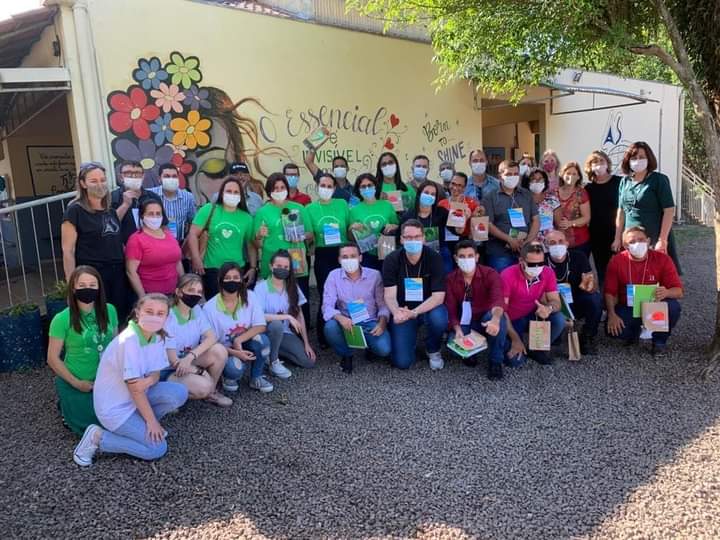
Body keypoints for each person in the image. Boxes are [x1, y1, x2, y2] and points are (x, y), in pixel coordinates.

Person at [72, 293, 189, 466]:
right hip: (115, 408)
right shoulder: (128, 341)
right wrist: (152, 422)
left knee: (179, 392)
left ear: (166, 318)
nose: (154, 317)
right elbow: (135, 390)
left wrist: (148, 381)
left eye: (160, 313)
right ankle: (98, 437)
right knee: (157, 449)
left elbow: (156, 373)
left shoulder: (157, 337)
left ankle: (141, 426)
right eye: (149, 311)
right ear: (138, 312)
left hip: (137, 397)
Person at [47, 266, 118, 436]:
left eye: (93, 285)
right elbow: (52, 358)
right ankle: (67, 402)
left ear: (99, 288)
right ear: (73, 288)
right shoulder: (61, 319)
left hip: (107, 379)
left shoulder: (110, 310)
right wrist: (76, 383)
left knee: (118, 419)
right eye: (82, 285)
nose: (88, 289)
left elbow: (116, 345)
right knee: (92, 427)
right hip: (79, 380)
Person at [61, 162, 129, 322]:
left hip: (118, 274)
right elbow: (68, 251)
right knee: (98, 319)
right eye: (93, 181)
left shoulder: (110, 211)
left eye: (103, 180)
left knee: (118, 318)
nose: (100, 184)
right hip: (93, 275)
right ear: (83, 184)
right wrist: (72, 285)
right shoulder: (75, 211)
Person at [604, 226, 683, 356]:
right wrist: (612, 314)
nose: (637, 244)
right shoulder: (617, 261)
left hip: (655, 306)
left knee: (673, 307)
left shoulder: (662, 259)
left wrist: (667, 292)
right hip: (628, 306)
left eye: (641, 240)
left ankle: (659, 341)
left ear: (648, 241)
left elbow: (678, 291)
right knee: (614, 331)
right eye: (632, 241)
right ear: (625, 245)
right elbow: (609, 292)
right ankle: (634, 334)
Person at [382, 220, 448, 370]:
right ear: (401, 239)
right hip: (403, 309)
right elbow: (389, 295)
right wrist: (396, 312)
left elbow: (438, 296)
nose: (413, 241)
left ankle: (432, 348)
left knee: (439, 318)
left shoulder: (434, 258)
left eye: (417, 237)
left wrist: (415, 312)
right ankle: (408, 341)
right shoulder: (391, 259)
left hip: (428, 307)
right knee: (402, 362)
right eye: (408, 237)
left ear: (424, 238)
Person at [162, 273, 233, 406]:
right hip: (168, 368)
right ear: (178, 292)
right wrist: (200, 371)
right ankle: (166, 394)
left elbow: (212, 337)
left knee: (219, 350)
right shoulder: (169, 317)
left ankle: (211, 393)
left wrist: (190, 357)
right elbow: (173, 361)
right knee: (203, 386)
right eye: (191, 290)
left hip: (186, 360)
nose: (196, 295)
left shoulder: (196, 310)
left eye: (199, 292)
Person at [203, 262, 274, 393]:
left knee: (263, 342)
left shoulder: (250, 296)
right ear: (220, 280)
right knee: (234, 369)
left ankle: (256, 377)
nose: (232, 281)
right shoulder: (209, 308)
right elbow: (210, 343)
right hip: (225, 350)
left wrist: (238, 340)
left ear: (241, 280)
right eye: (227, 278)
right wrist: (235, 352)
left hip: (244, 341)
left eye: (236, 277)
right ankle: (228, 375)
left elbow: (260, 325)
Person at [253, 172, 313, 327]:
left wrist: (300, 237)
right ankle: (275, 329)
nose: (279, 191)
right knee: (274, 299)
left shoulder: (298, 208)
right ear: (269, 191)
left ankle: (302, 331)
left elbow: (310, 233)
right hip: (272, 261)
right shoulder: (262, 212)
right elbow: (256, 243)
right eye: (275, 188)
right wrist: (259, 235)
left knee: (299, 299)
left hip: (296, 260)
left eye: (282, 187)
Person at [322, 243, 391, 373]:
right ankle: (347, 354)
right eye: (345, 257)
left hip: (369, 321)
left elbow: (383, 304)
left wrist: (382, 323)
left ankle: (370, 347)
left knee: (384, 349)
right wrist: (340, 318)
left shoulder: (374, 275)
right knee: (330, 327)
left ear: (360, 258)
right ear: (339, 260)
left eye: (353, 256)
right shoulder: (333, 276)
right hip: (346, 323)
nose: (349, 260)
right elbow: (327, 306)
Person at [613, 142, 681, 272]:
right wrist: (617, 238)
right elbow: (621, 211)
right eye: (634, 158)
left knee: (657, 274)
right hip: (631, 238)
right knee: (632, 273)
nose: (638, 160)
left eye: (642, 157)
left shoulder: (659, 180)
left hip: (654, 237)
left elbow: (669, 210)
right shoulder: (624, 181)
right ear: (628, 161)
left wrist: (662, 240)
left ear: (649, 159)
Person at [444, 241, 506, 380]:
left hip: (486, 319)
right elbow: (451, 308)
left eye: (470, 256)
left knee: (498, 319)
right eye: (462, 256)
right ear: (455, 258)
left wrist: (495, 319)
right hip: (465, 322)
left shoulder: (490, 274)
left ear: (477, 257)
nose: (466, 259)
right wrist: (456, 328)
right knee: (453, 345)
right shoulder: (450, 279)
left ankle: (495, 361)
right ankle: (474, 350)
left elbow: (498, 300)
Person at [187, 176, 257, 299]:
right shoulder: (209, 209)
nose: (232, 194)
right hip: (212, 270)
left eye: (236, 192)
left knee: (235, 304)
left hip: (236, 270)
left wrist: (252, 267)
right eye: (229, 191)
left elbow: (251, 244)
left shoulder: (247, 218)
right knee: (213, 305)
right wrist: (196, 259)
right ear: (221, 193)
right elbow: (193, 234)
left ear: (241, 196)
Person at [254, 250, 316, 378]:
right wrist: (287, 316)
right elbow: (258, 317)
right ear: (271, 266)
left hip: (285, 333)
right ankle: (273, 362)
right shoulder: (260, 287)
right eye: (279, 266)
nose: (282, 269)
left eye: (286, 267)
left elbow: (300, 316)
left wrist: (306, 343)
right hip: (264, 333)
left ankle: (270, 353)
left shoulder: (292, 286)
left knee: (308, 362)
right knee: (276, 324)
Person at [306, 172, 350, 348]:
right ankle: (323, 335)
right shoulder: (309, 208)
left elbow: (349, 228)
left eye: (329, 186)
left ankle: (349, 330)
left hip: (343, 253)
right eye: (322, 185)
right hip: (323, 254)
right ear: (317, 187)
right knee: (326, 294)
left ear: (334, 188)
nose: (325, 189)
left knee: (346, 292)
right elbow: (309, 236)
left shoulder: (342, 204)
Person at [502, 243, 565, 365]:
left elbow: (556, 301)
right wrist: (515, 339)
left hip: (533, 313)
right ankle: (517, 341)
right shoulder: (507, 275)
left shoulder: (548, 272)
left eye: (540, 263)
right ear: (521, 261)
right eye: (532, 264)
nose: (537, 267)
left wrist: (549, 308)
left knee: (559, 319)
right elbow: (502, 311)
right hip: (512, 319)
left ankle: (536, 349)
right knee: (515, 362)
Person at [545, 230, 602, 354]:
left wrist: (589, 284)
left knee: (595, 298)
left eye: (561, 241)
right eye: (552, 243)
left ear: (567, 243)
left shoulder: (578, 256)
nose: (557, 245)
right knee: (556, 342)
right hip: (552, 303)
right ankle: (553, 336)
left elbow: (592, 285)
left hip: (576, 300)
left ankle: (588, 335)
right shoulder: (542, 261)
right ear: (546, 246)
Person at [484, 160, 539, 273]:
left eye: (516, 174)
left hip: (525, 251)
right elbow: (488, 224)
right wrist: (509, 240)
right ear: (500, 176)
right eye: (509, 174)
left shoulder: (526, 194)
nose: (513, 177)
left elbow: (536, 220)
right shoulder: (490, 197)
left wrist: (527, 242)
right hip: (500, 252)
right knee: (502, 282)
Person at [125, 199, 183, 296]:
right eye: (151, 214)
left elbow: (177, 262)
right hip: (151, 295)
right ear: (142, 216)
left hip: (174, 293)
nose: (155, 217)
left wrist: (183, 286)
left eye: (158, 214)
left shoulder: (169, 235)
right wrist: (143, 297)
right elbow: (131, 272)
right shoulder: (136, 239)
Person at [584, 150, 621, 285]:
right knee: (602, 272)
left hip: (616, 233)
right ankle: (605, 297)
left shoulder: (619, 182)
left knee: (619, 270)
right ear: (590, 167)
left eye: (601, 161)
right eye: (595, 162)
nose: (598, 164)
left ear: (607, 163)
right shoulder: (588, 188)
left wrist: (619, 236)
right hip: (597, 236)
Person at [348, 173, 399, 270]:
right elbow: (351, 238)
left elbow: (397, 226)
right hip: (366, 254)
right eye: (363, 186)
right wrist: (351, 228)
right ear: (359, 189)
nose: (367, 188)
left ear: (375, 186)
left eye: (369, 185)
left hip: (387, 250)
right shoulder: (354, 210)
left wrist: (394, 226)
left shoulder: (387, 205)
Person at [398, 180, 450, 265]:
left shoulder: (442, 212)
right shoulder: (408, 216)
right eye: (426, 192)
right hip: (415, 255)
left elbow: (456, 230)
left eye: (433, 194)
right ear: (419, 194)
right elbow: (399, 238)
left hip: (440, 254)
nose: (429, 196)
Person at [110, 160, 161, 243]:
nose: (133, 176)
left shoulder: (153, 197)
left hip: (150, 245)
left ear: (143, 176)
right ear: (121, 177)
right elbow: (110, 225)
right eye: (128, 173)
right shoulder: (112, 197)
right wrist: (125, 205)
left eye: (137, 173)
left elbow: (163, 225)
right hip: (123, 247)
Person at [438, 172, 480, 271]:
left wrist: (472, 217)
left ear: (465, 188)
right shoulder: (441, 204)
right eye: (453, 184)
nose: (455, 188)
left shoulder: (472, 204)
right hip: (445, 244)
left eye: (459, 185)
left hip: (465, 243)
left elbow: (478, 234)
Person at [148, 163, 196, 244]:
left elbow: (193, 222)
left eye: (174, 176)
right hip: (154, 243)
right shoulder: (150, 195)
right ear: (159, 179)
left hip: (179, 243)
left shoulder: (188, 197)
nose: (171, 179)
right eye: (166, 176)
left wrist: (187, 241)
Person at [554, 161, 591, 257]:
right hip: (557, 242)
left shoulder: (581, 193)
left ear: (578, 177)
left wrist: (570, 223)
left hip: (579, 243)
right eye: (568, 173)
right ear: (562, 175)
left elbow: (586, 218)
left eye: (574, 174)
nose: (571, 176)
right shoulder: (554, 193)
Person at [524, 168, 559, 248]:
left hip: (549, 243)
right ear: (527, 182)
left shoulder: (552, 199)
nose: (537, 182)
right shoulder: (520, 200)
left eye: (540, 179)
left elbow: (559, 224)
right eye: (533, 179)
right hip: (527, 244)